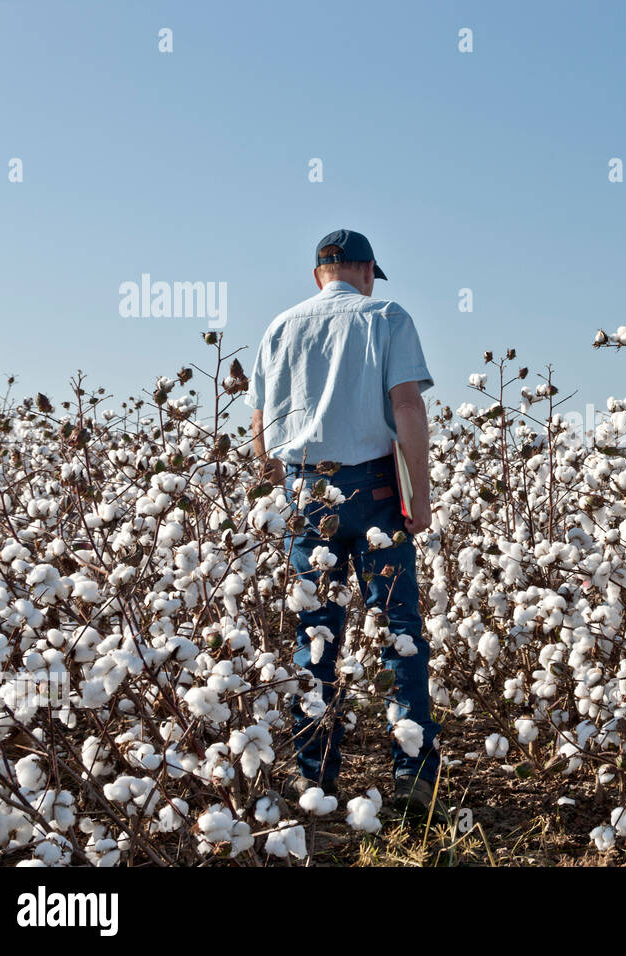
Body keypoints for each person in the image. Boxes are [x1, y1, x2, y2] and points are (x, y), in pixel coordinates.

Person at [245, 228, 447, 824]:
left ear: (318, 275)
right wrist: (422, 494)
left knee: (316, 637)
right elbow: (407, 408)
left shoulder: (279, 328)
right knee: (399, 630)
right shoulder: (386, 314)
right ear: (365, 271)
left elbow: (260, 432)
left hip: (304, 489)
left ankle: (316, 777)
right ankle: (412, 775)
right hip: (379, 492)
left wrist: (283, 493)